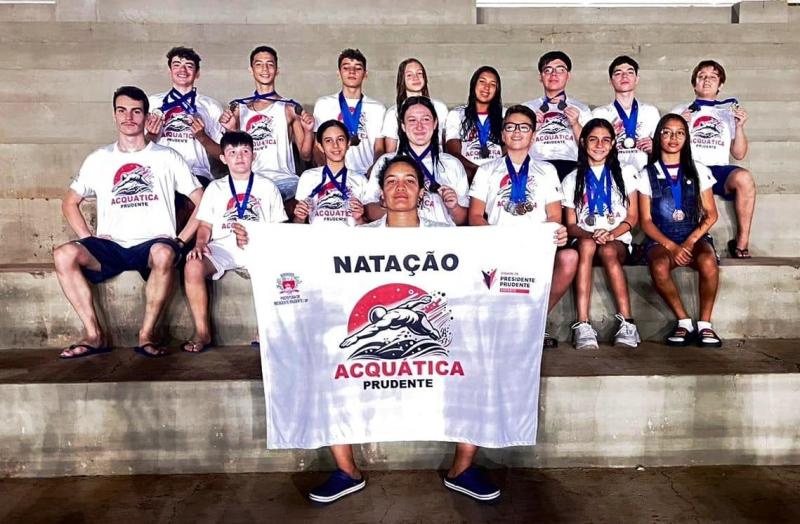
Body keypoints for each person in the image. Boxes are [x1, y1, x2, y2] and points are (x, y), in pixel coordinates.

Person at [54, 86, 203, 358]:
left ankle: (146, 335)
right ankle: (93, 334)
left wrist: (181, 239)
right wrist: (88, 237)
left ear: (146, 117)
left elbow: (202, 199)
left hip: (152, 245)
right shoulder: (99, 159)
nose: (129, 117)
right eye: (122, 110)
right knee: (63, 255)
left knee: (164, 252)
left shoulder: (166, 157)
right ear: (114, 115)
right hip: (112, 246)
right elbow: (69, 202)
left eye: (136, 111)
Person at [468, 105, 574, 349]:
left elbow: (554, 214)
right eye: (510, 127)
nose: (517, 132)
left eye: (524, 127)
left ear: (533, 135)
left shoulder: (546, 170)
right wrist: (496, 239)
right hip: (497, 245)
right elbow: (475, 215)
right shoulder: (486, 170)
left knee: (570, 258)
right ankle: (505, 323)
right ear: (503, 134)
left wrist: (555, 232)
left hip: (534, 246)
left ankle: (534, 320)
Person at [181, 132, 287, 353]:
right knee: (192, 265)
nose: (239, 157)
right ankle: (202, 331)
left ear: (253, 155)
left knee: (280, 266)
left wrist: (256, 237)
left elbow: (279, 229)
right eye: (232, 152)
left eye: (245, 152)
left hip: (259, 247)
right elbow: (205, 226)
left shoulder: (268, 187)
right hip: (223, 247)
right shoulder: (215, 188)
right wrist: (200, 243)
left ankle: (266, 329)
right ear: (223, 158)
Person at [638, 114, 721, 348]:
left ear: (686, 138)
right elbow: (645, 221)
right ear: (658, 137)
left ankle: (705, 324)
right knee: (659, 265)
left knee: (707, 260)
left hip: (694, 236)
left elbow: (712, 214)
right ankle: (684, 320)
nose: (673, 138)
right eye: (666, 132)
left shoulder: (698, 170)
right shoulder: (647, 173)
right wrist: (672, 246)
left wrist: (690, 241)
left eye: (679, 133)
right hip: (662, 238)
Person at [561, 119, 641, 350]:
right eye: (593, 139)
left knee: (607, 250)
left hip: (615, 241)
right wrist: (590, 233)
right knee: (586, 246)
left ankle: (628, 322)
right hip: (586, 239)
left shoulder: (625, 172)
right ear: (583, 142)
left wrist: (611, 233)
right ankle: (582, 324)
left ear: (614, 143)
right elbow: (571, 225)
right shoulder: (571, 179)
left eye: (606, 140)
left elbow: (632, 217)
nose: (599, 145)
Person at [672, 60, 756, 258]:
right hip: (691, 169)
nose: (707, 80)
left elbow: (739, 154)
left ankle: (741, 243)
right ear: (694, 84)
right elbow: (668, 147)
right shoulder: (681, 110)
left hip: (719, 169)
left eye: (713, 77)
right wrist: (680, 125)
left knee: (744, 178)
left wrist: (740, 126)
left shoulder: (728, 112)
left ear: (721, 84)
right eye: (701, 76)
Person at [219, 45, 316, 201]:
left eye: (270, 64)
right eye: (259, 64)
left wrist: (309, 131)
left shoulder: (289, 107)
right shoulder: (239, 108)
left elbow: (306, 155)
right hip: (251, 181)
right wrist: (230, 130)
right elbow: (231, 151)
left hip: (285, 181)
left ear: (277, 70)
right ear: (251, 70)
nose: (265, 68)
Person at [365, 96, 469, 226]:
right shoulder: (386, 162)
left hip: (440, 241)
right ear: (403, 126)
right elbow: (370, 211)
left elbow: (463, 220)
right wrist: (385, 206)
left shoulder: (452, 164)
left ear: (435, 123)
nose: (419, 127)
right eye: (412, 120)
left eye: (425, 119)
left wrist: (454, 207)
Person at [146, 46, 224, 186]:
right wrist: (151, 134)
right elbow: (136, 147)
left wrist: (202, 136)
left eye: (189, 66)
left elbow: (222, 154)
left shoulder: (211, 106)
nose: (182, 70)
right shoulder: (152, 103)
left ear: (197, 73)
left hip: (197, 174)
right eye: (177, 65)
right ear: (169, 70)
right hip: (161, 172)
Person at [312, 48, 386, 175]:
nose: (352, 72)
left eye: (358, 68)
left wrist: (373, 174)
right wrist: (328, 172)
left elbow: (379, 149)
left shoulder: (378, 108)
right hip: (334, 173)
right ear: (339, 73)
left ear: (365, 74)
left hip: (365, 173)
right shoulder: (323, 104)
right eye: (346, 68)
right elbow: (317, 146)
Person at [523, 51, 592, 181]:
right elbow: (516, 144)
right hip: (535, 166)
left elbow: (590, 145)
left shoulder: (581, 108)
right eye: (548, 70)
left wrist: (576, 124)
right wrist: (533, 128)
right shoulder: (527, 108)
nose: (554, 74)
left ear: (568, 76)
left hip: (571, 168)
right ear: (540, 76)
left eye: (560, 70)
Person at [591, 55, 660, 173]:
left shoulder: (651, 112)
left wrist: (656, 148)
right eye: (618, 73)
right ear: (610, 80)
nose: (624, 76)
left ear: (637, 79)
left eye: (630, 72)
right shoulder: (599, 114)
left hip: (644, 175)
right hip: (611, 175)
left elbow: (664, 148)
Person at [293, 120, 368, 226]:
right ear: (320, 147)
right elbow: (297, 224)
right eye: (328, 141)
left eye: (340, 139)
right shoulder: (308, 177)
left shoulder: (360, 180)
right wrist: (299, 217)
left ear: (348, 143)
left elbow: (368, 228)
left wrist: (359, 219)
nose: (335, 145)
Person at [445, 66, 505, 183]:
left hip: (498, 175)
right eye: (482, 81)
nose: (486, 87)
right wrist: (477, 171)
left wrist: (495, 171)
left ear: (497, 90)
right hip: (467, 175)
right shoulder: (456, 114)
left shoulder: (505, 114)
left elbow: (510, 148)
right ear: (473, 85)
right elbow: (453, 152)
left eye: (492, 84)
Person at [380, 58, 448, 154]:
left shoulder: (440, 108)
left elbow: (446, 145)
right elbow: (390, 152)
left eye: (419, 73)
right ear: (402, 79)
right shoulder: (393, 113)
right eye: (409, 75)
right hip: (406, 164)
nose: (415, 78)